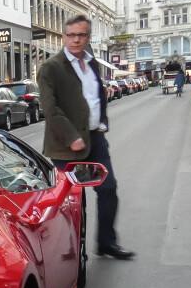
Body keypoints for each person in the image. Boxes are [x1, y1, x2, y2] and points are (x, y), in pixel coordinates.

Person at [36, 13, 134, 260]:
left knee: (108, 188)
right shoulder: (52, 67)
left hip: (95, 139)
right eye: (71, 35)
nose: (75, 40)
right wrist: (71, 136)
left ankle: (106, 243)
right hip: (66, 145)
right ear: (64, 37)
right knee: (72, 201)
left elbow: (96, 96)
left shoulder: (92, 64)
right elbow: (50, 108)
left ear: (88, 37)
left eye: (81, 35)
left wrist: (101, 123)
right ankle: (70, 253)